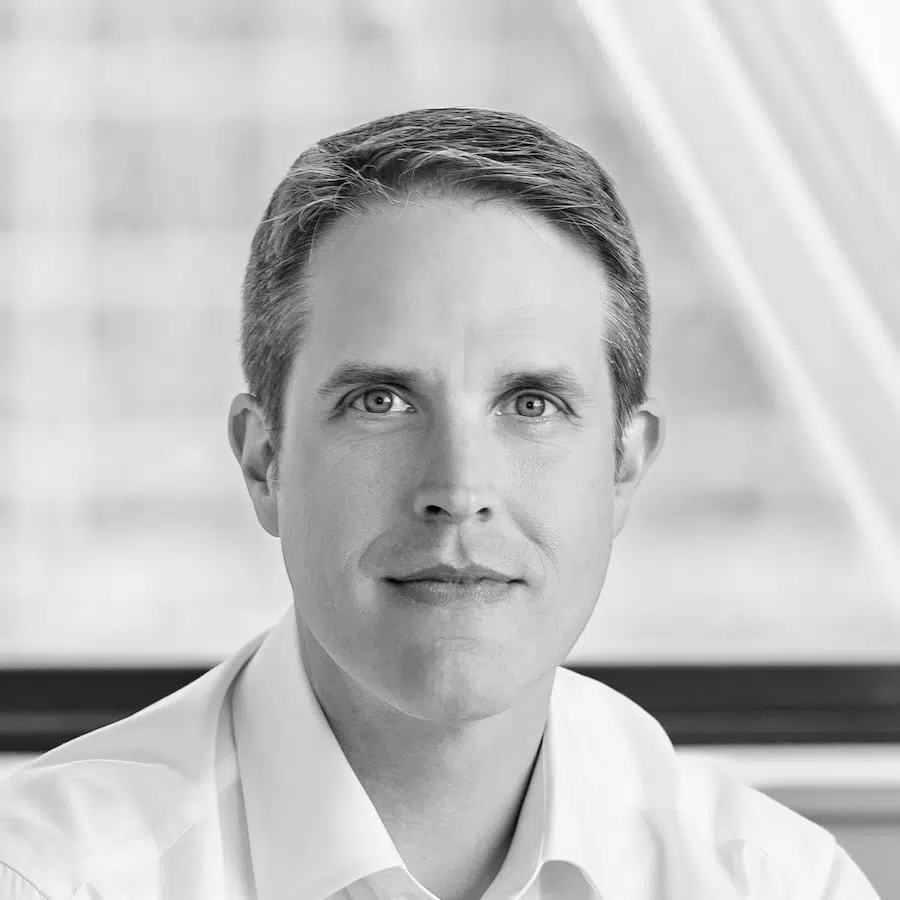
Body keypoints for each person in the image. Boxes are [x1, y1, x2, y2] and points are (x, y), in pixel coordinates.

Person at [0, 107, 880, 900]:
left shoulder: (777, 883)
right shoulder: (49, 879)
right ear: (265, 462)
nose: (458, 491)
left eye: (531, 404)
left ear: (623, 465)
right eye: (381, 401)